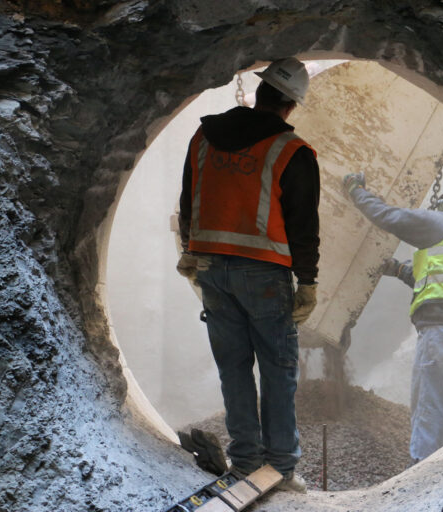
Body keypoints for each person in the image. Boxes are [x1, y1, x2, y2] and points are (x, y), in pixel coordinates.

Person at [177, 57, 320, 493]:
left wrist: (189, 248)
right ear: (291, 106)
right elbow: (303, 225)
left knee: (233, 367)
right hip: (264, 273)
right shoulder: (291, 151)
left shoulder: (203, 136)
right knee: (278, 369)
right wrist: (308, 281)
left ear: (259, 92)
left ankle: (244, 465)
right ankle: (279, 469)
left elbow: (188, 197)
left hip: (211, 270)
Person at [342, 174, 443, 465]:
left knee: (431, 406)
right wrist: (399, 270)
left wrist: (357, 191)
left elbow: (389, 217)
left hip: (442, 328)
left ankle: (421, 477)